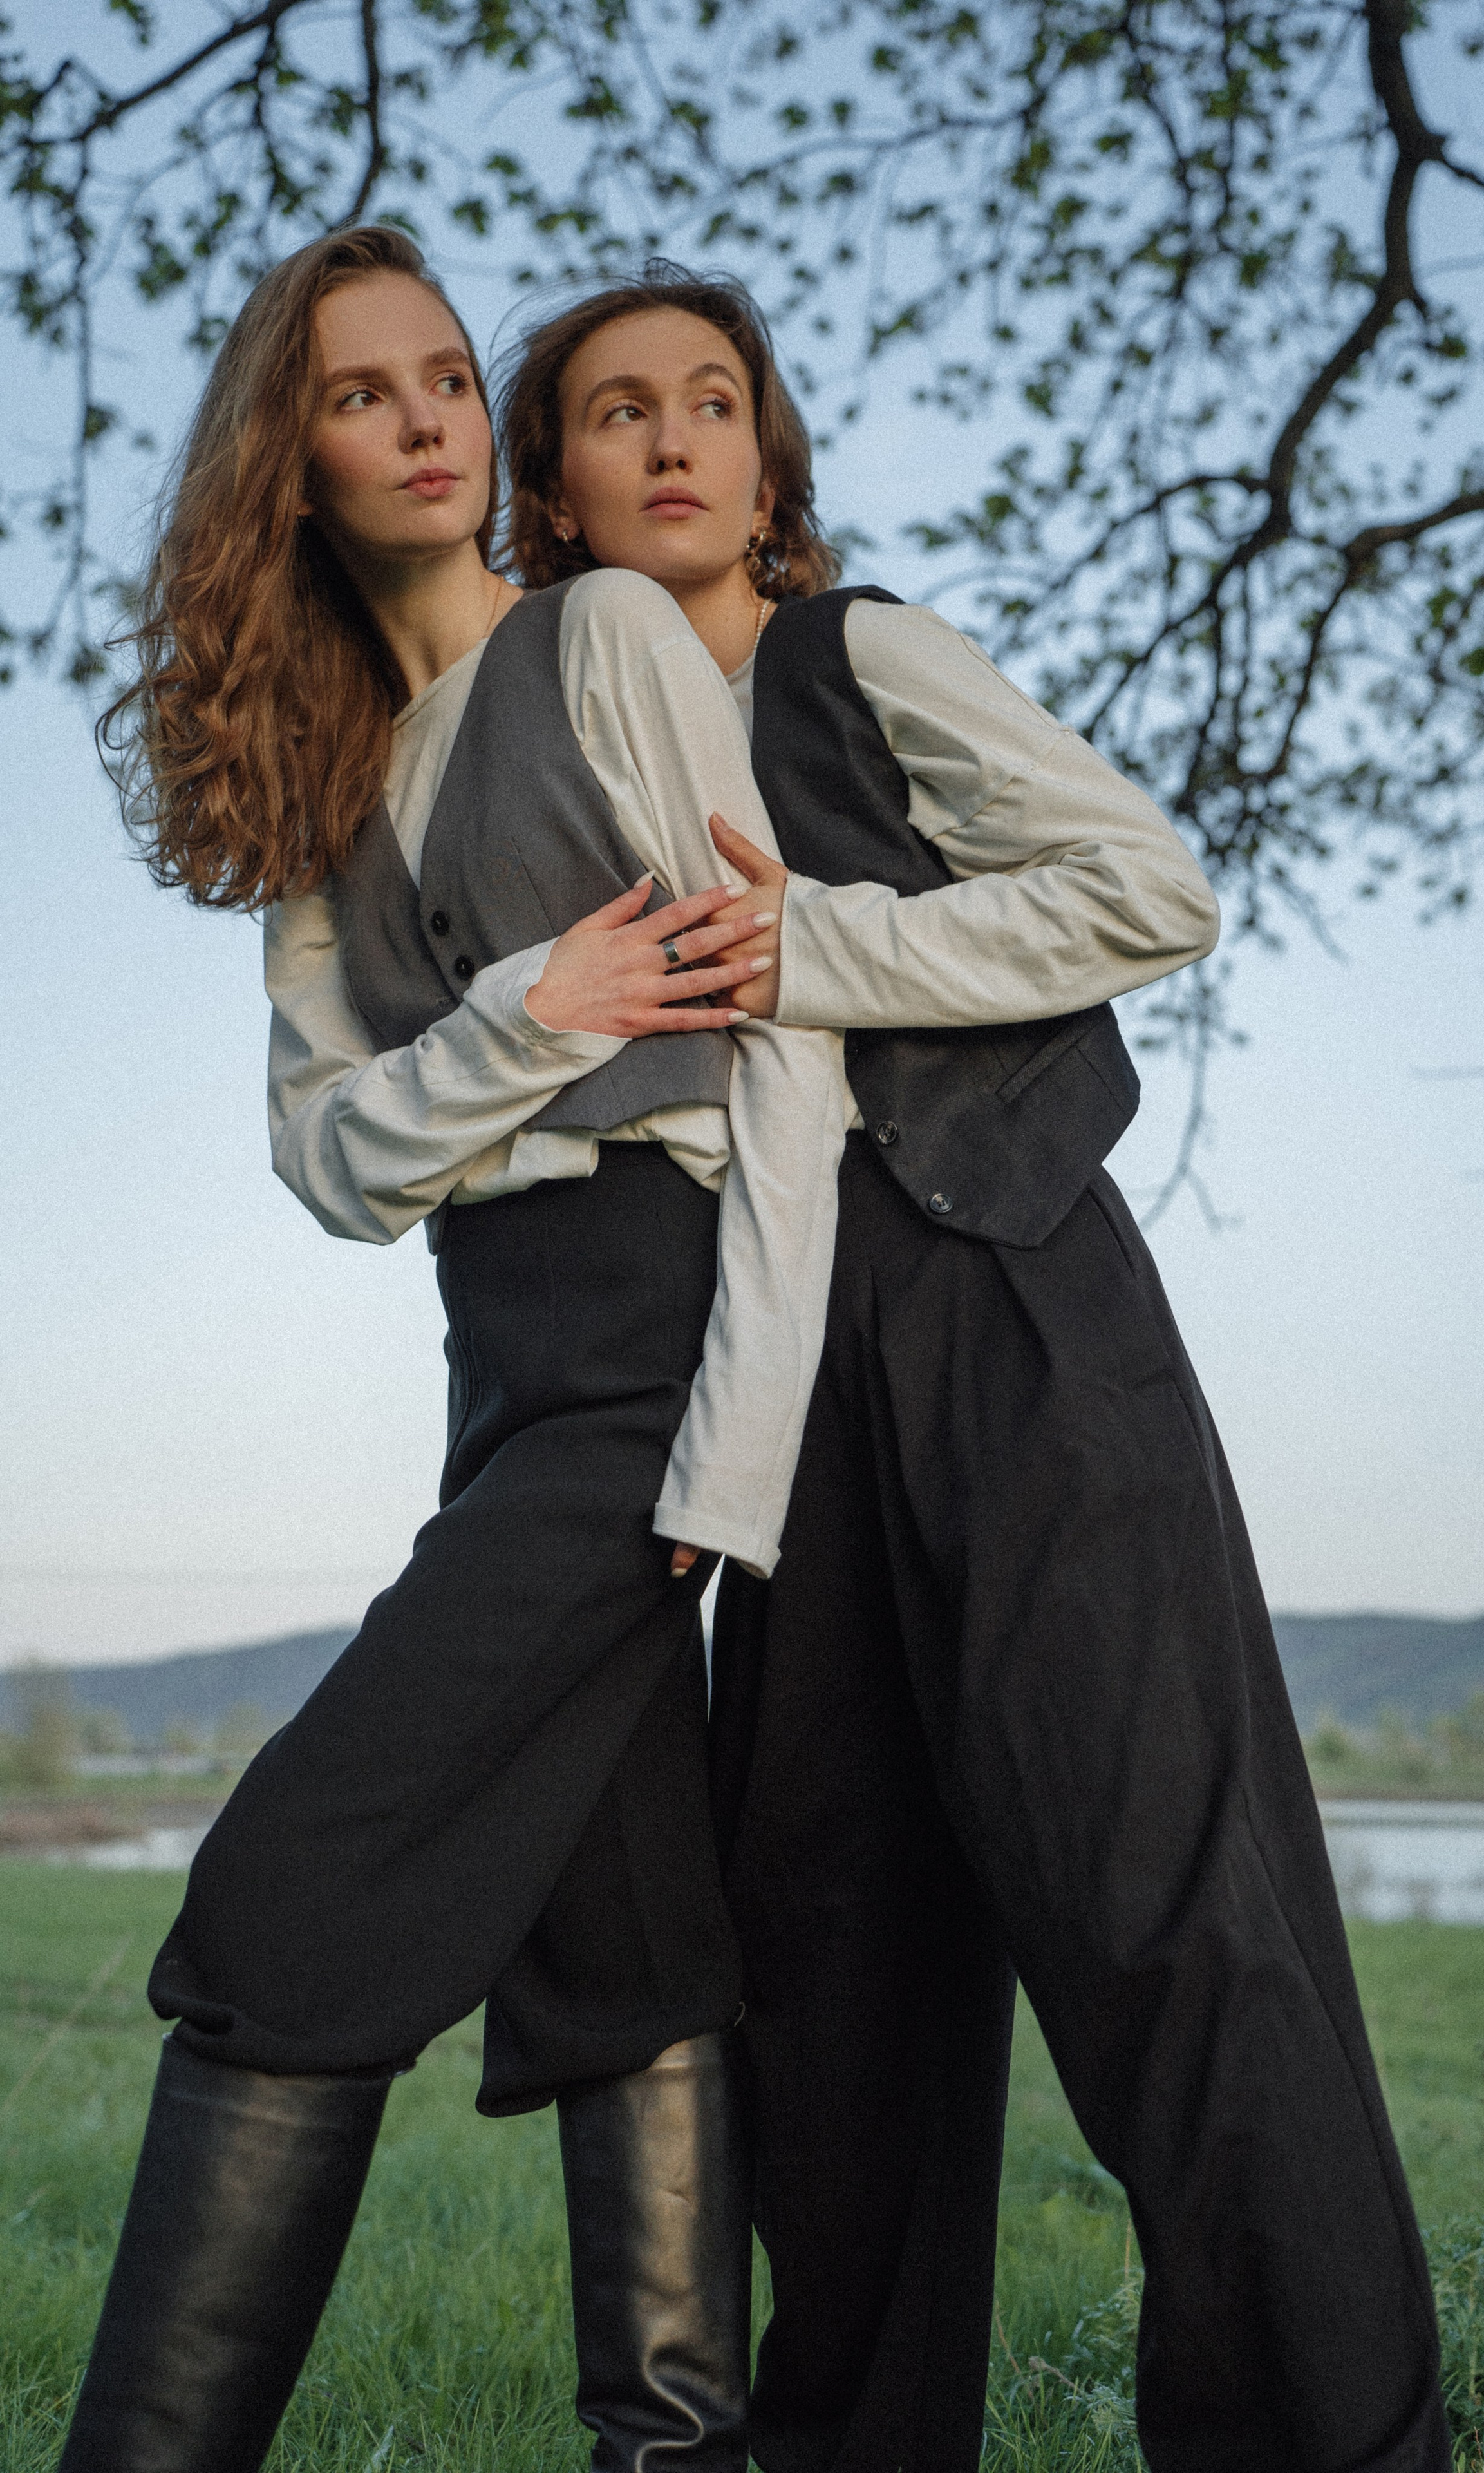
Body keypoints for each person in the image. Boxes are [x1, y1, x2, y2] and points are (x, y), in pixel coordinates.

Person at [502, 263, 1452, 2473]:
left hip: (1015, 1313)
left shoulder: (860, 653)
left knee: (1177, 1936)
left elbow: (1147, 884)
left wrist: (814, 942)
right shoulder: (562, 757)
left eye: (711, 402)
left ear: (764, 463)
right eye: (618, 409)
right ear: (550, 487)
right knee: (834, 2008)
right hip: (773, 1415)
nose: (668, 437)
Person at [62, 226, 850, 2472]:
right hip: (497, 1380)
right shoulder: (324, 804)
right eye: (358, 393)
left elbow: (779, 1049)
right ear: (287, 462)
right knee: (624, 1939)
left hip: (654, 1343)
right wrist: (535, 1009)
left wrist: (736, 1463)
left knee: (294, 1886)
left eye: (440, 380)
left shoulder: (602, 635)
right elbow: (332, 1164)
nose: (421, 419)